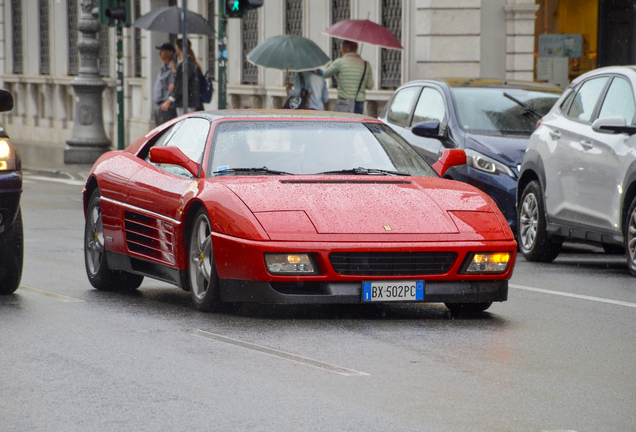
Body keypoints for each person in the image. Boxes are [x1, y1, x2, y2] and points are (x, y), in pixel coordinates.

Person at [323, 40, 374, 114]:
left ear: (344, 49)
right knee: (357, 124)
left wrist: (327, 65)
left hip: (344, 102)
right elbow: (370, 86)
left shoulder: (339, 62)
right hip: (359, 102)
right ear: (356, 49)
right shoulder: (366, 64)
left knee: (343, 124)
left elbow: (325, 74)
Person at [161, 38, 202, 115]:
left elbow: (182, 85)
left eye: (176, 48)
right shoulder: (185, 64)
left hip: (187, 103)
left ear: (179, 49)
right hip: (186, 102)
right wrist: (176, 72)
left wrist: (169, 101)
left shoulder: (187, 65)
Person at [153, 43, 177, 126]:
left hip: (166, 107)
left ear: (169, 53)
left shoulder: (172, 69)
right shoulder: (163, 68)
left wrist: (167, 102)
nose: (159, 53)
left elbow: (173, 88)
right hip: (158, 106)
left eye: (162, 51)